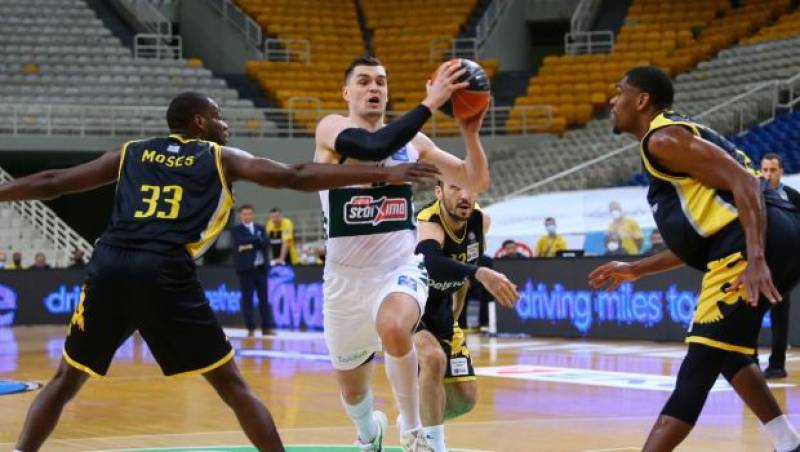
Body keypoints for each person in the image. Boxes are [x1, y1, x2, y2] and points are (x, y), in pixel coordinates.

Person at [4, 91, 439, 452]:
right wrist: (384, 172)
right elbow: (296, 175)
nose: (225, 124)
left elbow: (53, 181)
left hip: (110, 264)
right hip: (165, 269)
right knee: (232, 386)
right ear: (199, 122)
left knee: (65, 379)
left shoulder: (130, 152)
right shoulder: (219, 156)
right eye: (218, 117)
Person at [589, 66, 800, 452]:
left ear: (642, 100)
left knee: (697, 368)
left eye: (619, 92)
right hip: (773, 236)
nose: (612, 100)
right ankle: (788, 443)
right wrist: (636, 268)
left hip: (755, 240)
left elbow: (744, 182)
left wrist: (755, 257)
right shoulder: (672, 141)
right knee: (728, 351)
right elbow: (702, 238)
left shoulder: (663, 139)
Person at [314, 56, 488, 451]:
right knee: (353, 391)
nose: (373, 87)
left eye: (381, 81)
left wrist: (471, 133)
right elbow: (373, 145)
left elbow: (474, 180)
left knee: (394, 327)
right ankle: (368, 432)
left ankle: (413, 433)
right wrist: (431, 102)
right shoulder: (331, 129)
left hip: (398, 267)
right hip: (344, 279)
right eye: (363, 81)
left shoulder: (414, 143)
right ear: (346, 92)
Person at [414, 181, 518, 451]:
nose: (464, 195)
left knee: (466, 399)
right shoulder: (428, 220)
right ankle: (432, 443)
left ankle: (417, 421)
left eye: (470, 189)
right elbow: (433, 264)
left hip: (442, 308)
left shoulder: (480, 221)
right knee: (433, 359)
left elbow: (462, 276)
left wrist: (455, 319)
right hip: (411, 305)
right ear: (438, 192)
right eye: (454, 188)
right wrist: (480, 272)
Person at [760, 153, 800, 379]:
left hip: (784, 266)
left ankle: (777, 365)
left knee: (780, 317)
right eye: (765, 170)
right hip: (759, 264)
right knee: (748, 317)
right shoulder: (754, 194)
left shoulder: (792, 196)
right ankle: (749, 363)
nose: (768, 175)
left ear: (781, 172)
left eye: (773, 170)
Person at [232, 204, 271, 337]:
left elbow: (266, 242)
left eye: (249, 213)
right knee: (247, 300)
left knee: (264, 299)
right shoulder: (236, 229)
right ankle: (250, 328)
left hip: (261, 268)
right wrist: (256, 240)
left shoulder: (260, 228)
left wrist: (249, 244)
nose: (247, 216)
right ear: (240, 216)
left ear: (253, 215)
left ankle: (266, 327)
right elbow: (240, 241)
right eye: (244, 214)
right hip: (246, 269)